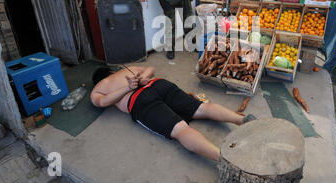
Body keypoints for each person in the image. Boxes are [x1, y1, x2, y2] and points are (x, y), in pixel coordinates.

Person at [90, 66, 255, 162]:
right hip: (159, 84)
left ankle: (223, 158)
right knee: (201, 108)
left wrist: (130, 87)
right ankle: (242, 120)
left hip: (139, 100)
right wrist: (142, 79)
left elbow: (102, 102)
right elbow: (151, 68)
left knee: (180, 129)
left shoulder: (99, 87)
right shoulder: (129, 69)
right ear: (112, 71)